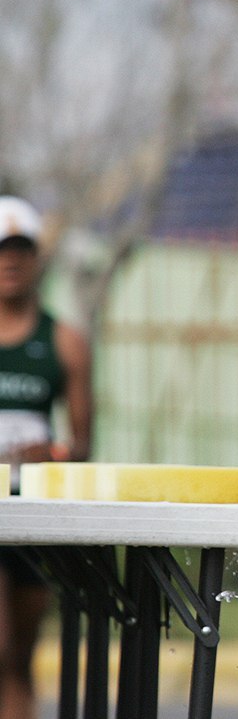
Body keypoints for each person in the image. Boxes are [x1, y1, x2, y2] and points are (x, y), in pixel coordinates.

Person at [0, 196, 92, 719]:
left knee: (18, 660)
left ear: (37, 259)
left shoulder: (64, 343)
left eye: (21, 249)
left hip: (33, 515)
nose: (10, 261)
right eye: (1, 250)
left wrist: (50, 453)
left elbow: (82, 448)